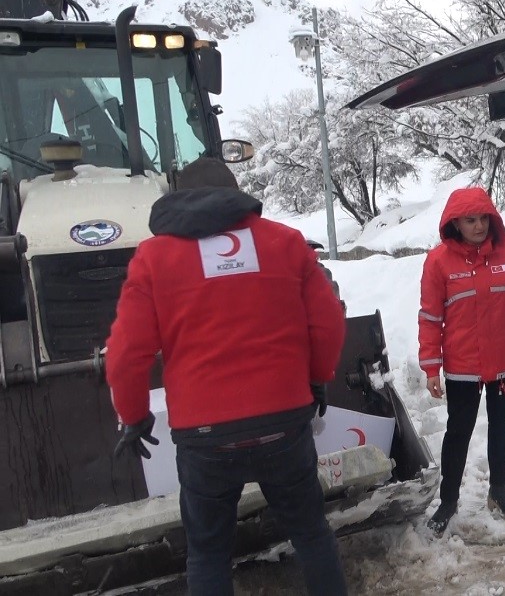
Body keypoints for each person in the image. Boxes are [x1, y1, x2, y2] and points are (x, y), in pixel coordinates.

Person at [105, 157, 348, 596]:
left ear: (177, 198)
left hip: (205, 437)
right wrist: (315, 379)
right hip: (283, 425)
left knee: (208, 554)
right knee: (311, 533)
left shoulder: (154, 257)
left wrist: (135, 415)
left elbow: (125, 352)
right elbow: (328, 323)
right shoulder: (284, 242)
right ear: (236, 193)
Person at [418, 187, 505, 535]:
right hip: (463, 366)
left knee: (501, 426)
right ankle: (448, 501)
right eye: (470, 220)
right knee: (459, 432)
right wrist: (431, 367)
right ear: (455, 223)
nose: (478, 226)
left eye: (483, 218)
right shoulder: (438, 262)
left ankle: (498, 489)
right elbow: (430, 319)